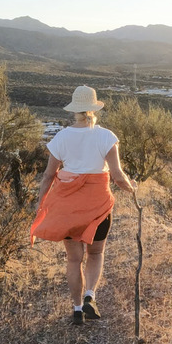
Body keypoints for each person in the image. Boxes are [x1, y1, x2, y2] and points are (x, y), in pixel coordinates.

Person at [31, 85, 136, 325]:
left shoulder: (61, 137)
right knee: (96, 253)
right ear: (94, 107)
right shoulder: (106, 136)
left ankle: (77, 309)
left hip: (68, 208)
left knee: (73, 259)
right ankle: (90, 295)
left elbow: (48, 175)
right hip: (98, 207)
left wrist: (41, 203)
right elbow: (118, 176)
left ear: (75, 110)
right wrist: (131, 189)